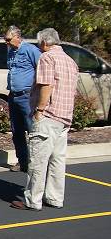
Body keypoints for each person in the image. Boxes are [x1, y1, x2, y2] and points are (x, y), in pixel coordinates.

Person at [11, 28, 79, 211]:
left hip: (48, 115)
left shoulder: (47, 58)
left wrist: (39, 110)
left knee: (38, 160)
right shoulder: (70, 61)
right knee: (57, 160)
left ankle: (33, 200)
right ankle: (55, 198)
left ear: (44, 42)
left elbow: (46, 85)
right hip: (64, 117)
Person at [5, 25, 42, 172]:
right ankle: (23, 161)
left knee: (32, 130)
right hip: (13, 96)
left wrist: (37, 91)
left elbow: (42, 68)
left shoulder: (30, 50)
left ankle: (35, 162)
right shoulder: (10, 52)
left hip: (26, 96)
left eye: (8, 39)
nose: (6, 42)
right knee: (17, 131)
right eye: (5, 39)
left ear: (17, 37)